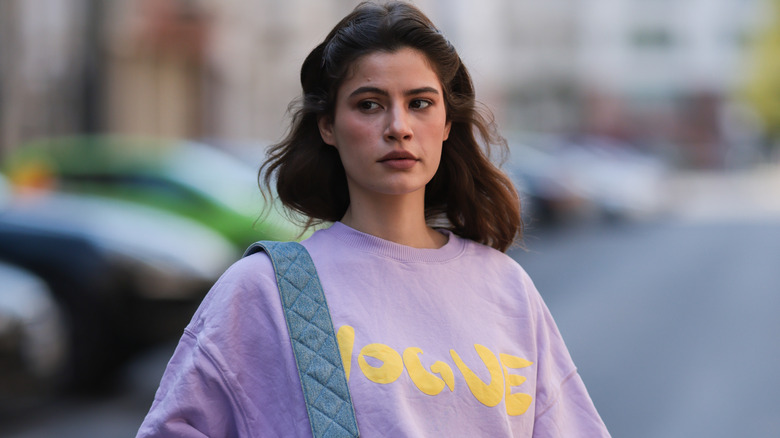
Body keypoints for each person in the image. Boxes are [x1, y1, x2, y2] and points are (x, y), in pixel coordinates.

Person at [137, 1, 610, 437]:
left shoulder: (507, 289)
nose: (398, 127)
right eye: (369, 104)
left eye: (420, 103)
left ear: (447, 123)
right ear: (327, 126)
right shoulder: (264, 290)